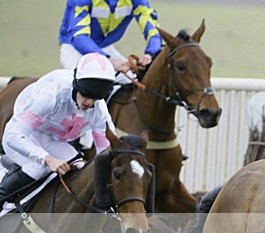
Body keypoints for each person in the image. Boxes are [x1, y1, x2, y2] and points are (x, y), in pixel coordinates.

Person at [0, 53, 116, 205]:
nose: (89, 103)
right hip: (23, 135)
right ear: (76, 85)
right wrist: (47, 159)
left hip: (51, 139)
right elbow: (12, 135)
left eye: (96, 98)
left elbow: (106, 151)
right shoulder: (51, 96)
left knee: (81, 166)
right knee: (39, 167)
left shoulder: (99, 111)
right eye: (86, 94)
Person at [58, 0, 162, 81]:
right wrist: (109, 60)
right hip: (74, 49)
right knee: (88, 83)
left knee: (131, 82)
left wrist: (150, 53)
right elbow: (79, 37)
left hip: (105, 49)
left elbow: (153, 28)